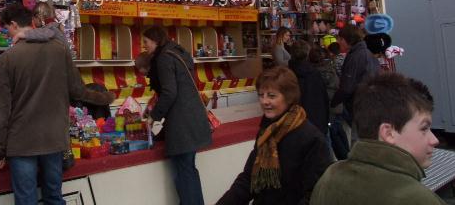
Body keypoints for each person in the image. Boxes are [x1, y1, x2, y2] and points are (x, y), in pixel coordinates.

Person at [0, 4, 115, 204]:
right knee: (54, 197)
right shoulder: (59, 50)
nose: (8, 34)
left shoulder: (7, 59)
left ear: (14, 25)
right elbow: (78, 91)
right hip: (54, 138)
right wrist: (106, 98)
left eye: (7, 29)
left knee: (26, 200)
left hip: (22, 142)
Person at [310, 73, 445, 205]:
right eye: (424, 128)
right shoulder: (418, 199)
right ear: (388, 133)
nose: (434, 140)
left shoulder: (330, 177)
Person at [216, 66, 333, 205]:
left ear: (289, 97)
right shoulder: (266, 132)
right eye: (261, 95)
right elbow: (248, 179)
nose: (264, 101)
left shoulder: (311, 139)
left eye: (271, 96)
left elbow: (315, 194)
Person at [143, 26, 211, 205]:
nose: (144, 46)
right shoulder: (178, 51)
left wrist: (153, 116)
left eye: (146, 42)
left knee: (184, 172)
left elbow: (169, 92)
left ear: (155, 40)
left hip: (182, 123)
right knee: (189, 169)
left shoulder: (163, 58)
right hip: (192, 117)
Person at [331, 24, 379, 130]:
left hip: (357, 106)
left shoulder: (355, 56)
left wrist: (333, 102)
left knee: (354, 136)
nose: (338, 42)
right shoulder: (367, 54)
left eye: (340, 39)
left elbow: (347, 87)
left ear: (347, 39)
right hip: (368, 105)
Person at [288, 41, 329, 135]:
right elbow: (324, 99)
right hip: (316, 122)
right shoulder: (314, 73)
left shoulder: (286, 75)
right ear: (308, 53)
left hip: (295, 124)